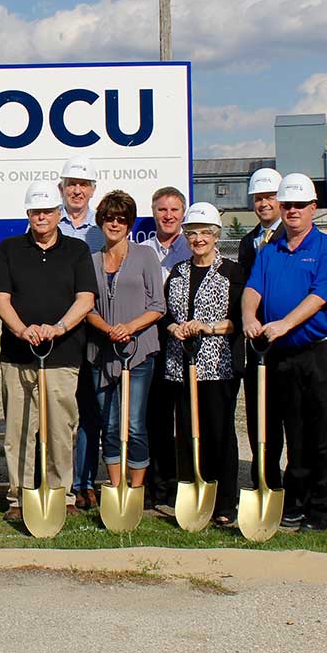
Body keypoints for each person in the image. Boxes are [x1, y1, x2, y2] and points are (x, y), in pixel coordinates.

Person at [242, 173, 327, 532]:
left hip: (321, 353)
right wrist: (248, 318)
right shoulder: (270, 249)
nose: (292, 211)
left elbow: (322, 295)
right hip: (283, 355)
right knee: (296, 432)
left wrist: (284, 323)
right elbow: (253, 289)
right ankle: (296, 502)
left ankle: (324, 512)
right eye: (287, 205)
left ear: (313, 208)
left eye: (299, 205)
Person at [0, 180, 97, 522]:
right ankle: (18, 497)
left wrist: (59, 328)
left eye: (48, 211)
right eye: (36, 211)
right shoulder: (10, 249)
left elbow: (85, 299)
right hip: (17, 354)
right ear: (28, 213)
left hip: (62, 355)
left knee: (60, 430)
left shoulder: (76, 251)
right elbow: (1, 299)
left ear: (58, 214)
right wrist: (21, 330)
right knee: (19, 430)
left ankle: (60, 494)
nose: (42, 217)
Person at [161, 202, 246, 527]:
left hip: (217, 365)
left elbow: (238, 319)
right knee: (186, 431)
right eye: (192, 233)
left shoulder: (232, 272)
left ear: (216, 236)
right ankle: (194, 489)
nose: (198, 239)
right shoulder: (179, 272)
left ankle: (225, 500)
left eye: (205, 233)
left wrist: (207, 327)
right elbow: (167, 313)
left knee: (219, 431)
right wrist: (174, 327)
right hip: (182, 364)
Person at [84, 190, 165, 501]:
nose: (114, 224)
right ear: (101, 221)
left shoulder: (145, 256)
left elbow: (158, 305)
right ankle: (116, 487)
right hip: (102, 353)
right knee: (110, 422)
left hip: (138, 351)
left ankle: (136, 489)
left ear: (130, 223)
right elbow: (87, 306)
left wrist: (129, 328)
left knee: (134, 422)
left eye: (121, 219)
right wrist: (107, 330)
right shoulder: (92, 261)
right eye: (109, 218)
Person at [60, 156, 106, 510]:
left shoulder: (100, 229)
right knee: (59, 410)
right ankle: (56, 480)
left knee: (89, 410)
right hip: (57, 330)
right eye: (71, 183)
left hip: (92, 326)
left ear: (92, 190)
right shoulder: (48, 221)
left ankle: (85, 480)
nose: (77, 190)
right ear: (62, 188)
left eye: (84, 184)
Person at [237, 167, 287, 493]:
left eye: (269, 197)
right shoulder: (247, 242)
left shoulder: (292, 236)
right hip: (256, 343)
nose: (264, 203)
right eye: (258, 198)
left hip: (287, 339)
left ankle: (294, 485)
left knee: (290, 418)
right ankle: (265, 479)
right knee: (260, 415)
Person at [143, 186, 192, 509]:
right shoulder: (142, 249)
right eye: (162, 210)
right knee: (154, 418)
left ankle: (185, 481)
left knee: (187, 417)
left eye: (174, 210)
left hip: (186, 343)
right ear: (154, 211)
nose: (168, 216)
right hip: (152, 341)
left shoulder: (194, 246)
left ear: (183, 214)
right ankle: (157, 482)